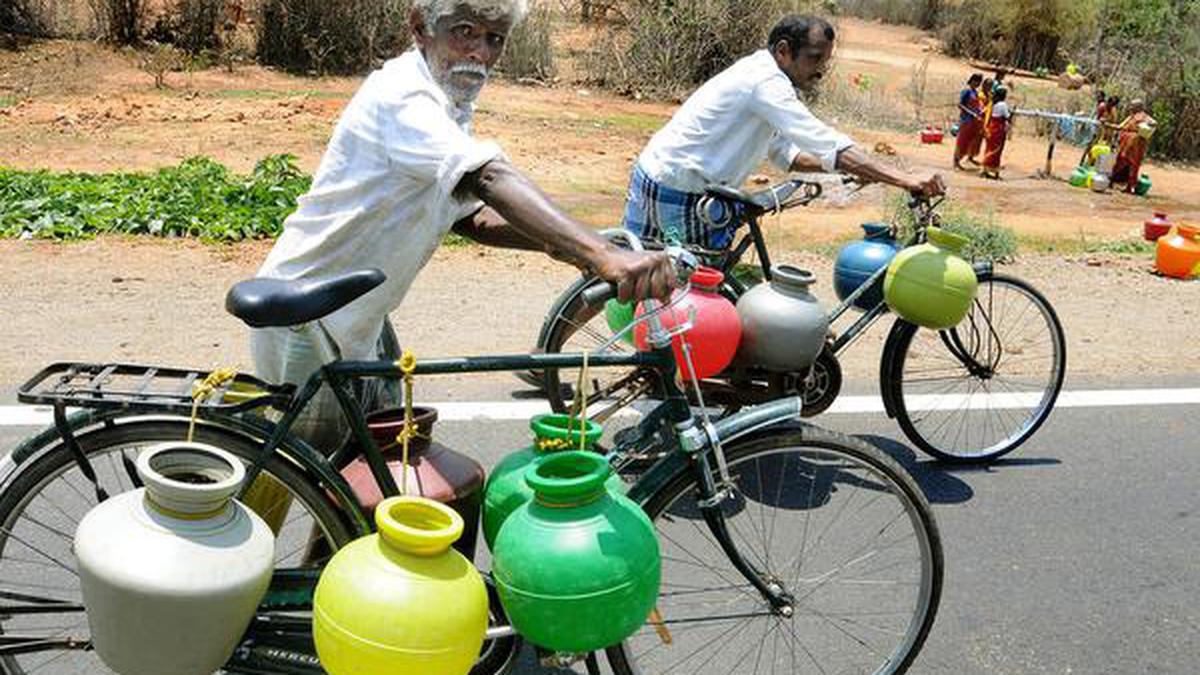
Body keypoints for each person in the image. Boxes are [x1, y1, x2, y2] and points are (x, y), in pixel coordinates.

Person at [250, 0, 677, 452]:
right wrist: (601, 256)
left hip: (361, 315)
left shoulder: (445, 101)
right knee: (309, 478)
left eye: (494, 39)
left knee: (389, 467)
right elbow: (487, 177)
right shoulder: (403, 97)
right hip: (310, 319)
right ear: (420, 28)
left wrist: (579, 246)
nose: (480, 52)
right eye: (465, 32)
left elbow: (471, 216)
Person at [621, 14, 945, 250]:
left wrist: (856, 170)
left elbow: (786, 154)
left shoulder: (760, 76)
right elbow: (821, 138)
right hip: (685, 193)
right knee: (698, 300)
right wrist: (902, 178)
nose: (820, 71)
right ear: (783, 50)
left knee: (623, 273)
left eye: (825, 62)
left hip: (654, 174)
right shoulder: (766, 83)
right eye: (814, 59)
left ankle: (569, 334)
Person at [1110, 99, 1156, 193]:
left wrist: (1145, 126)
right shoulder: (1131, 117)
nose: (1130, 107)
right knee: (1123, 162)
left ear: (1138, 107)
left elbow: (1153, 123)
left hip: (1135, 144)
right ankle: (1117, 182)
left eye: (1132, 106)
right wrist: (1107, 125)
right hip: (1127, 143)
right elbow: (1120, 127)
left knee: (1129, 163)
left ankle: (1129, 187)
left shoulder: (1144, 116)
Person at [953, 73, 984, 171]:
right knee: (961, 141)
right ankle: (956, 162)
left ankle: (964, 159)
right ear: (972, 80)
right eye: (977, 81)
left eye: (979, 82)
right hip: (966, 119)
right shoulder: (966, 91)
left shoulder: (975, 92)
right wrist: (971, 113)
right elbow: (960, 105)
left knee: (968, 142)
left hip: (973, 121)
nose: (978, 84)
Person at [980, 87, 1012, 180]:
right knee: (997, 150)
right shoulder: (1003, 105)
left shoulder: (992, 103)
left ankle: (985, 169)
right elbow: (1007, 116)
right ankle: (995, 173)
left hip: (991, 127)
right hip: (998, 129)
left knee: (989, 148)